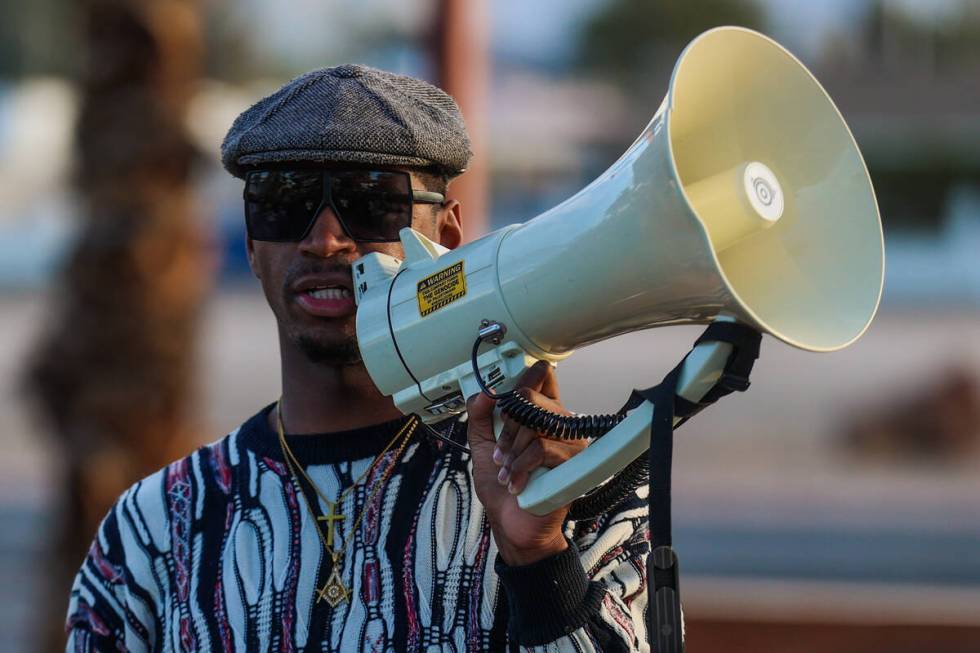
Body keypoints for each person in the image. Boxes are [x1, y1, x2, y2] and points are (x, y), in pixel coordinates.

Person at [65, 64, 650, 651]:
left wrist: (540, 560)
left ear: (446, 237)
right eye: (283, 202)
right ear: (250, 241)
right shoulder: (155, 526)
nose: (324, 241)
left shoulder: (577, 492)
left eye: (371, 203)